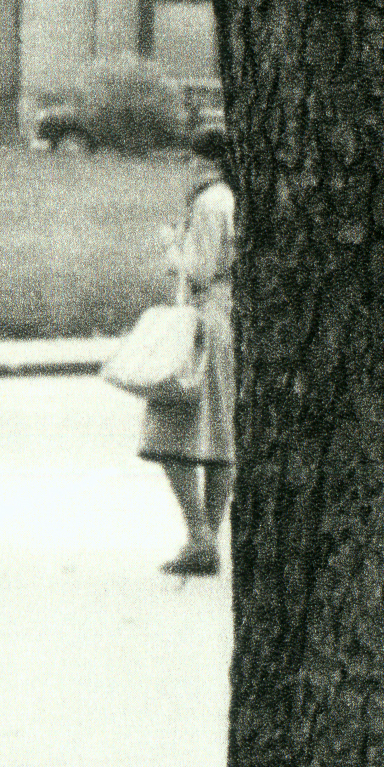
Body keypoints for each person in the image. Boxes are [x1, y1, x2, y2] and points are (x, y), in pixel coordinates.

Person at [140, 126, 236, 577]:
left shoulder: (208, 204)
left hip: (199, 326)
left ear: (204, 162)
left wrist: (170, 247)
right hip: (226, 321)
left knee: (166, 427)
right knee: (219, 435)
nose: (186, 168)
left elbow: (198, 270)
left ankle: (199, 535)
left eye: (191, 159)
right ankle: (209, 537)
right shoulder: (231, 199)